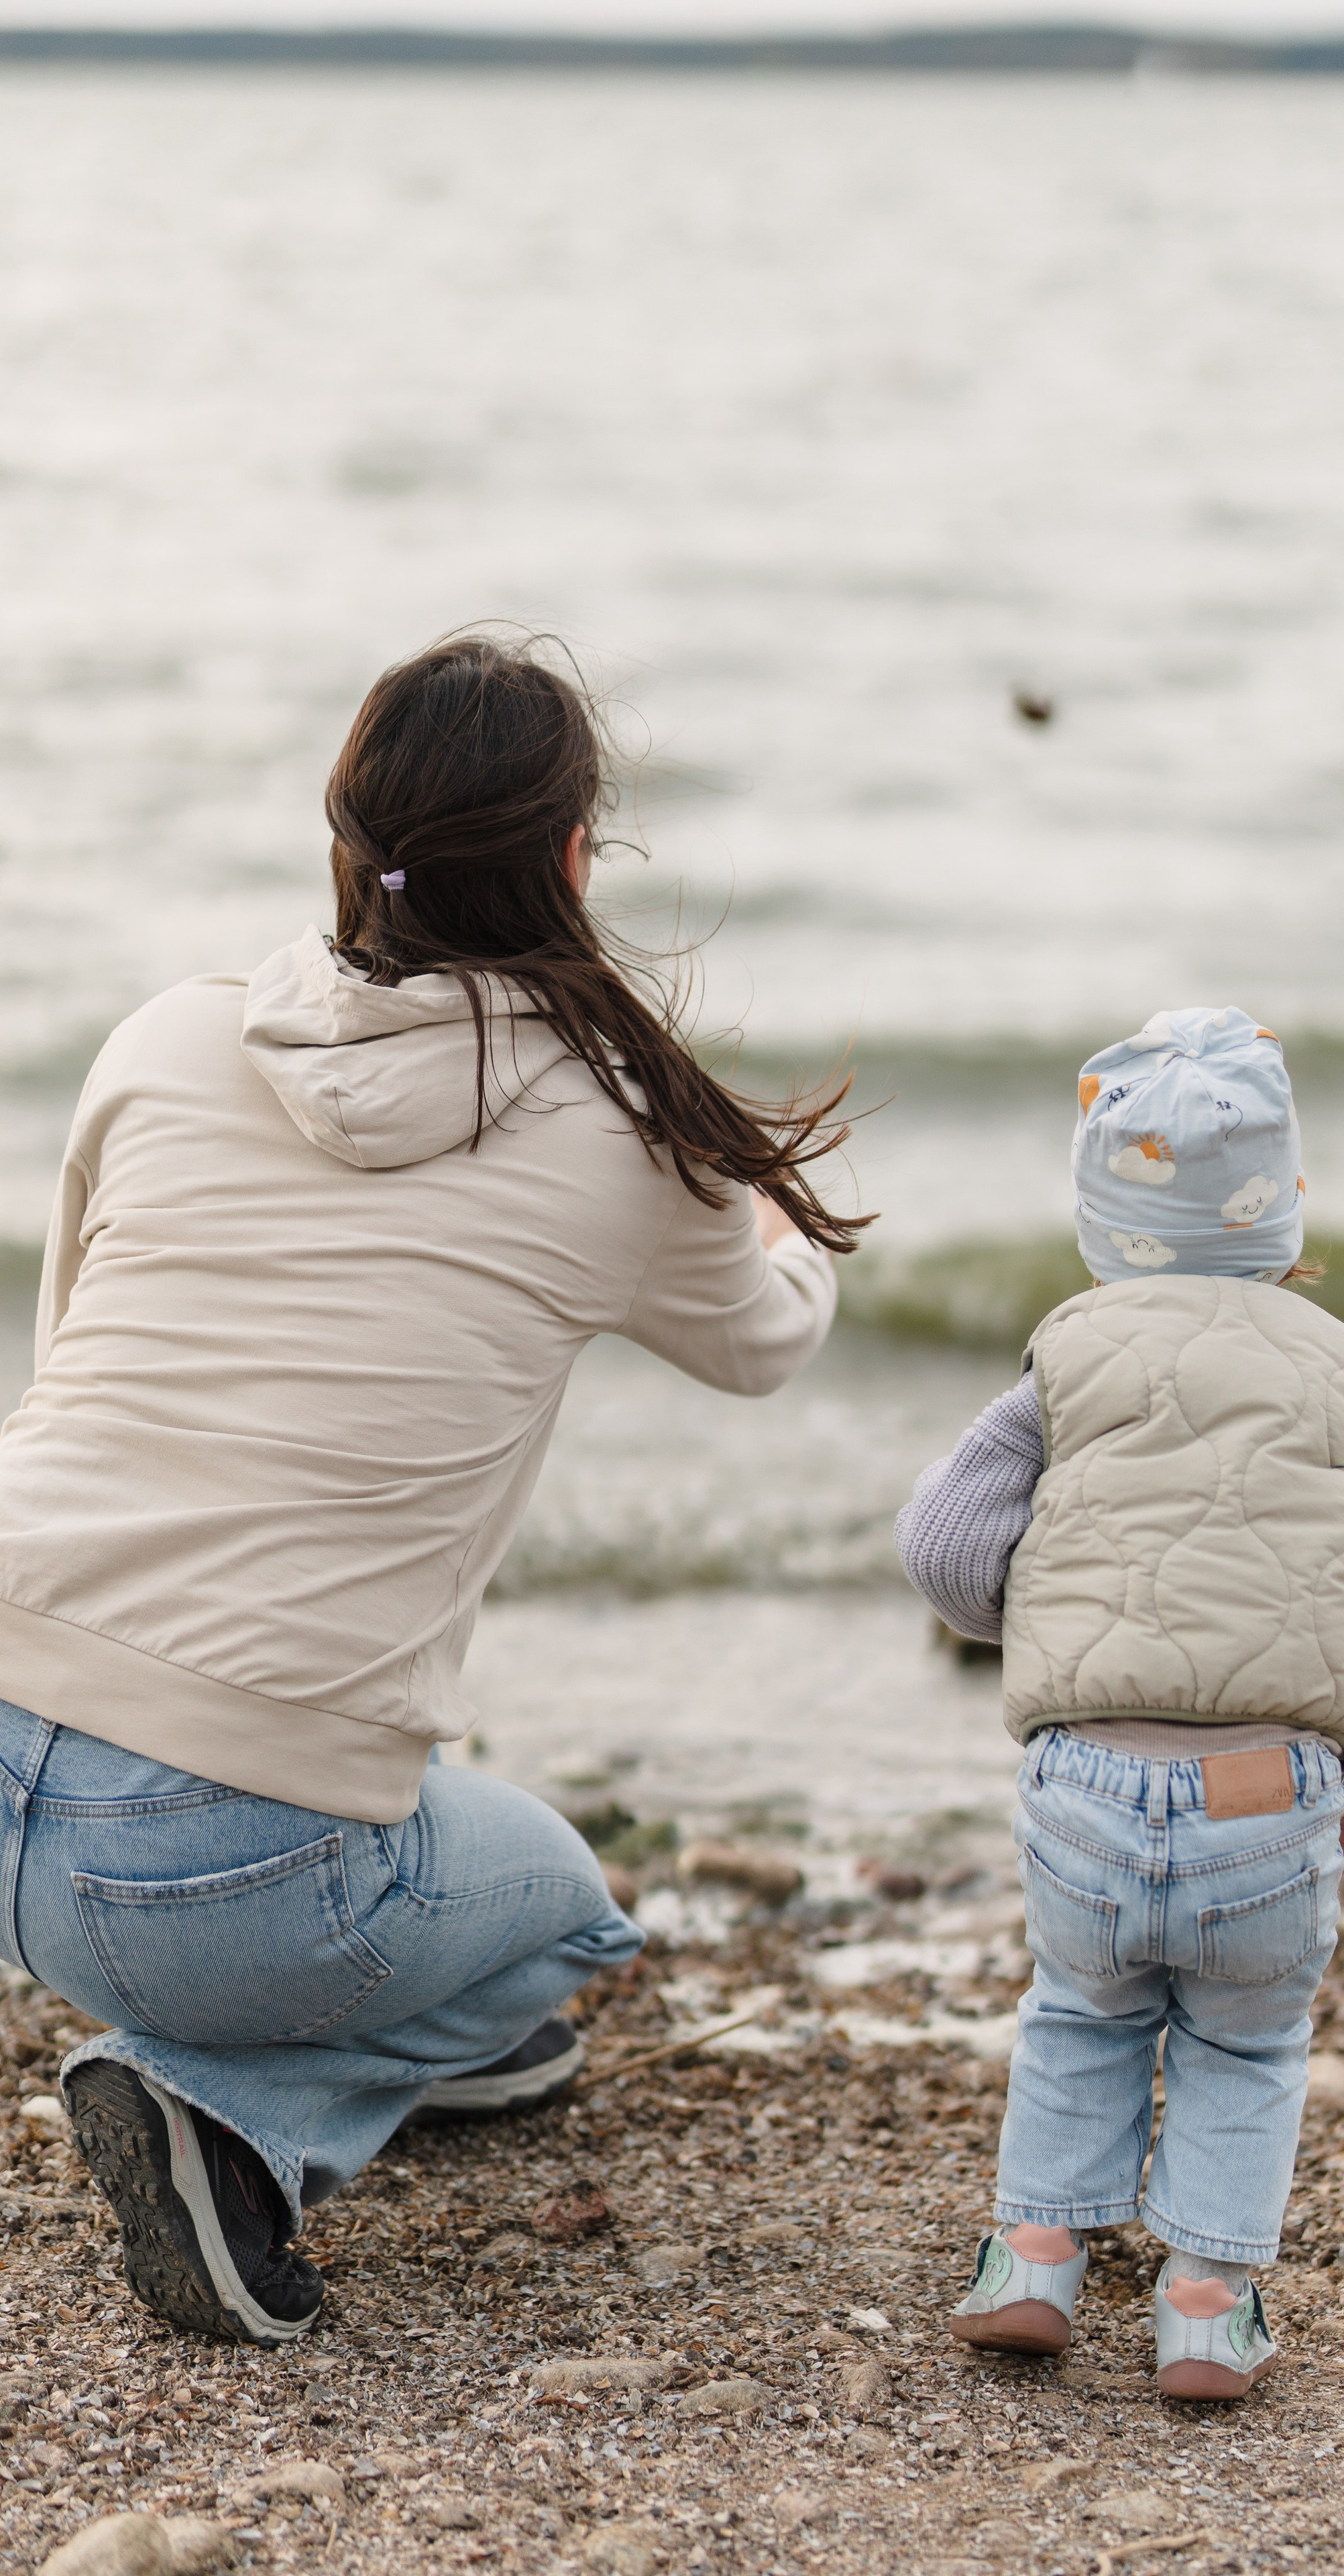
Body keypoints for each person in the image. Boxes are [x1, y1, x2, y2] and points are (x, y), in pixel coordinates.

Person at [0, 633, 864, 2347]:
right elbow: (762, 1344)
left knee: (403, 1847)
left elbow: (65, 1362)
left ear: (346, 839)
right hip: (210, 1879)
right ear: (571, 860)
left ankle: (389, 2033)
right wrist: (766, 1225)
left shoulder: (167, 1038)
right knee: (569, 1921)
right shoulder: (627, 1132)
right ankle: (236, 2113)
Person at [895, 1007, 1344, 2398]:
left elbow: (943, 1548)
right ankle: (1205, 2308)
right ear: (1285, 1214)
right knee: (1249, 2040)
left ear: (1099, 1224)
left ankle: (1033, 2262)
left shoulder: (1065, 1356)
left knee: (1080, 2014)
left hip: (1087, 1784)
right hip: (1273, 1796)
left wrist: (1044, 1628)